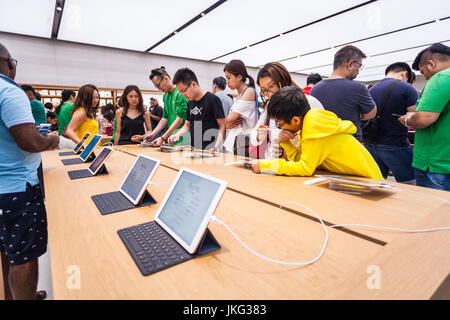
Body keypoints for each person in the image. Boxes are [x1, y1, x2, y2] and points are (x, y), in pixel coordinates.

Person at [0, 42, 59, 300]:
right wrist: (50, 140)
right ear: (10, 63)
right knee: (24, 255)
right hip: (16, 189)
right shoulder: (10, 92)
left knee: (6, 250)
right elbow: (29, 141)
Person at [250, 87, 383, 179]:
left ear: (295, 120)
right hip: (356, 178)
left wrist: (266, 165)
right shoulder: (308, 124)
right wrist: (287, 144)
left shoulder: (313, 125)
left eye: (279, 123)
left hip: (369, 179)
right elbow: (302, 160)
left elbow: (305, 168)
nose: (280, 127)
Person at [399, 43, 450, 191]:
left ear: (431, 63)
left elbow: (423, 118)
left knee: (433, 212)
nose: (426, 77)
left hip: (436, 164)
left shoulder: (441, 77)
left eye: (424, 71)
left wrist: (408, 119)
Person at [251, 62, 324, 160]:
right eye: (264, 90)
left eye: (271, 86)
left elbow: (320, 140)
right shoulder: (269, 105)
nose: (268, 94)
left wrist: (288, 142)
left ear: (283, 81)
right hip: (274, 164)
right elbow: (255, 134)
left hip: (300, 165)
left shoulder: (309, 102)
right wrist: (258, 136)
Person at [365, 62, 418, 183]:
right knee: (411, 183)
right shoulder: (407, 88)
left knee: (376, 183)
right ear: (405, 74)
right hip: (395, 144)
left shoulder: (371, 90)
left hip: (371, 144)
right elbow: (414, 118)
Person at [311, 45, 377, 142]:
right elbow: (371, 114)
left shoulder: (314, 89)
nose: (358, 71)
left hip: (323, 145)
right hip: (350, 145)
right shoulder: (358, 88)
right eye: (359, 66)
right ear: (350, 64)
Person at [168, 68, 226, 150]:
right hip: (195, 150)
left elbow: (222, 125)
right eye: (180, 92)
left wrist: (216, 147)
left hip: (210, 151)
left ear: (193, 84)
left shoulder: (212, 99)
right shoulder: (190, 103)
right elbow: (187, 125)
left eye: (183, 90)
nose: (183, 94)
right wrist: (178, 134)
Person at [131, 67, 189, 146]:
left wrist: (163, 138)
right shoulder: (166, 96)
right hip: (171, 137)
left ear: (165, 78)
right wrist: (153, 134)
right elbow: (165, 118)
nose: (159, 89)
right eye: (156, 87)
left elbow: (179, 120)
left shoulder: (180, 93)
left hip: (183, 137)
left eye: (158, 85)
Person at [222, 59, 259, 154]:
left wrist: (228, 122)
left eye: (229, 78)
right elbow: (227, 123)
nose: (227, 81)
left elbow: (230, 119)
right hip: (238, 142)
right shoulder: (240, 95)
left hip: (245, 144)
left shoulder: (249, 92)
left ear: (239, 77)